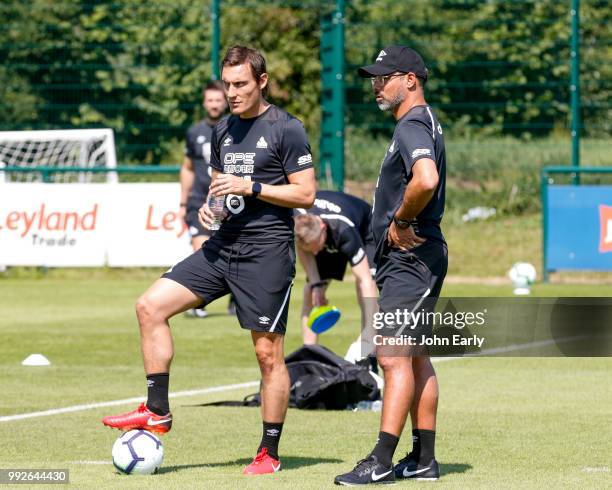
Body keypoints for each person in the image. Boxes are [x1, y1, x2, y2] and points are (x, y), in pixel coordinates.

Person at [102, 45, 317, 476]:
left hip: (266, 253)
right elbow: (221, 191)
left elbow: (305, 194)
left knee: (267, 355)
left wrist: (251, 186)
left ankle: (268, 452)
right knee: (149, 306)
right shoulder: (221, 132)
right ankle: (158, 410)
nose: (232, 92)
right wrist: (210, 210)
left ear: (261, 81)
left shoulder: (286, 129)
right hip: (222, 245)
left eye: (240, 84)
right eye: (227, 84)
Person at [334, 45, 448, 485]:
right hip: (413, 258)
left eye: (385, 76)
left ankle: (381, 459)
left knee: (391, 354)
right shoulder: (421, 122)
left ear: (411, 80)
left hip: (411, 257)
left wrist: (400, 219)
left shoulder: (413, 123)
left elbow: (426, 179)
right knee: (415, 357)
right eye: (374, 78)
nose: (376, 85)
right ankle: (424, 460)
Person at [294, 190, 377, 350]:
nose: (316, 253)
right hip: (327, 235)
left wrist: (370, 331)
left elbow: (365, 280)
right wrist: (316, 285)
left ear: (323, 228)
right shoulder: (298, 220)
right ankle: (310, 352)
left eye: (316, 247)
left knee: (365, 286)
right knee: (309, 291)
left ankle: (368, 340)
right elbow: (303, 248)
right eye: (312, 250)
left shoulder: (345, 230)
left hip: (365, 229)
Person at [179, 80, 229, 318]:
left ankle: (236, 300)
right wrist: (182, 202)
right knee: (201, 249)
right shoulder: (194, 132)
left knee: (231, 248)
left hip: (227, 199)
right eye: (210, 100)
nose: (214, 104)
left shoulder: (236, 129)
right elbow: (187, 168)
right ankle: (199, 303)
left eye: (218, 100)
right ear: (204, 102)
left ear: (225, 101)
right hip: (200, 199)